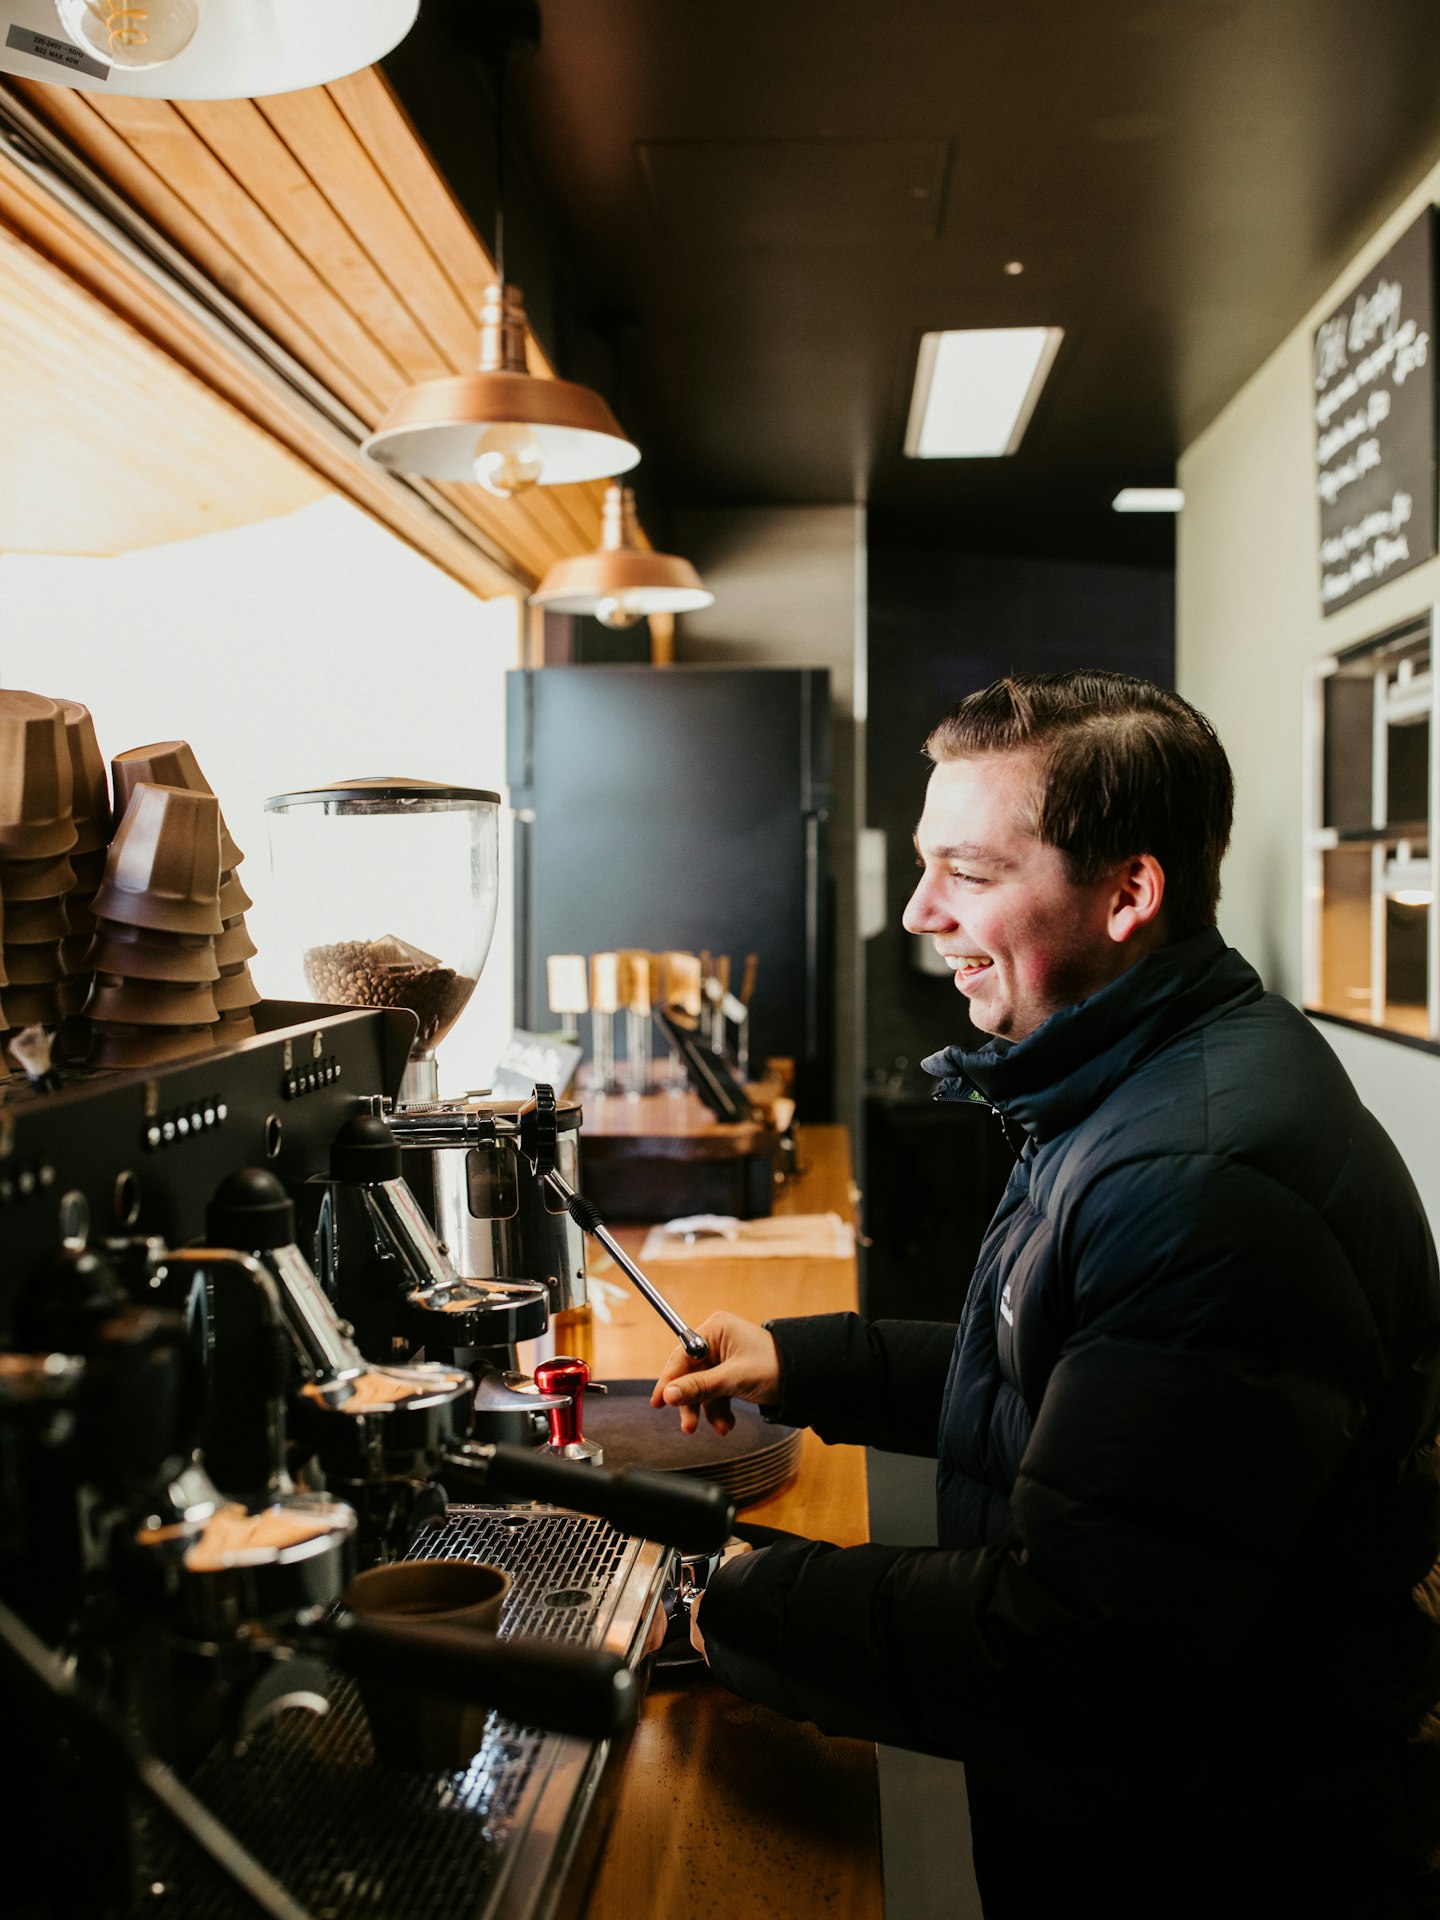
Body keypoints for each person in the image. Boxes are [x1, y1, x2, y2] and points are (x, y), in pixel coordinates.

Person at [651, 671, 1440, 1920]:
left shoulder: (1202, 1177)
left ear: (1129, 893)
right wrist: (800, 1362)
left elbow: (1076, 1643)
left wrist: (723, 1597)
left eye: (967, 873)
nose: (920, 913)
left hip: (1217, 1844)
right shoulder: (1147, 1075)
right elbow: (1062, 1369)